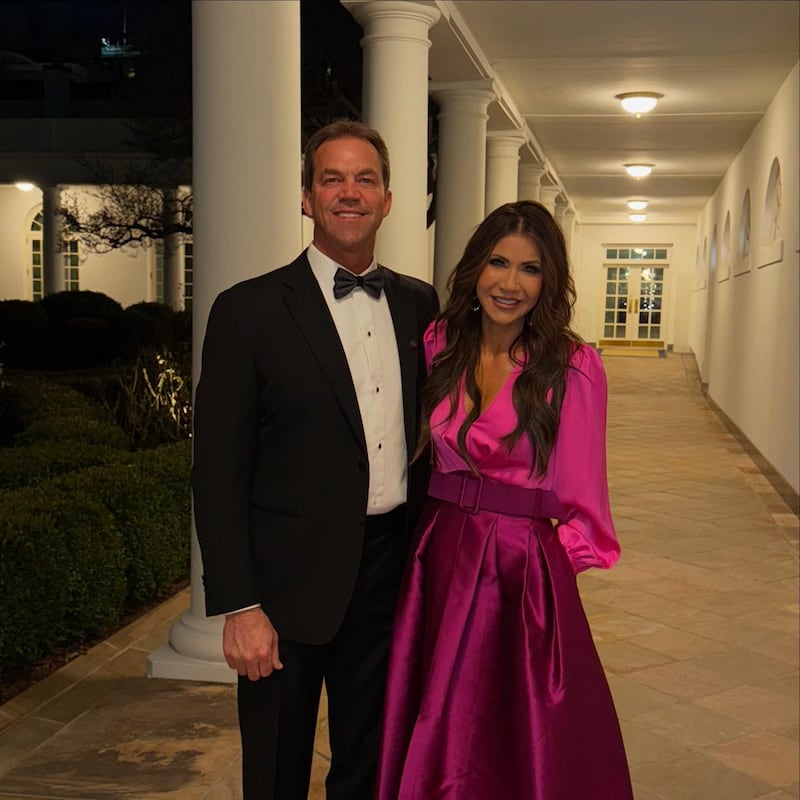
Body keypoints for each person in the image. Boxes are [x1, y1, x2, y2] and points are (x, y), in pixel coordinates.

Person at [192, 120, 439, 800]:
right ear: (307, 198)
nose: (349, 192)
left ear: (389, 200)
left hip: (390, 576)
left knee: (370, 765)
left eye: (365, 179)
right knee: (274, 771)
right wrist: (239, 603)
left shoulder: (421, 304)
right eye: (332, 178)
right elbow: (218, 470)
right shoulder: (247, 311)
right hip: (282, 587)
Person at [375, 200, 634, 799]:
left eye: (531, 269)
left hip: (521, 574)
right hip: (437, 558)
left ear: (549, 283)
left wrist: (539, 572)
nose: (510, 283)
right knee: (436, 715)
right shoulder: (440, 342)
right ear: (475, 269)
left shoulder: (575, 367)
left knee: (515, 731)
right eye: (498, 263)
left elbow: (586, 504)